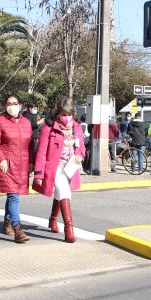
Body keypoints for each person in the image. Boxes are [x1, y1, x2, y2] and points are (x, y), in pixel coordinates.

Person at [32, 98, 86, 243]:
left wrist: (80, 156)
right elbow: (42, 151)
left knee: (60, 193)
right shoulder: (49, 127)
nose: (66, 117)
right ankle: (69, 229)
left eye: (69, 114)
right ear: (58, 114)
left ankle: (53, 219)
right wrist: (39, 173)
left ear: (73, 113)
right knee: (65, 193)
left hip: (71, 167)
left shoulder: (77, 127)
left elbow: (81, 148)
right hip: (54, 167)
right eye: (63, 114)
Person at [0, 94, 34, 243]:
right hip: (7, 164)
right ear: (5, 106)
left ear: (20, 105)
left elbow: (31, 144)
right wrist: (0, 158)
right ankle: (17, 228)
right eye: (9, 103)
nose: (12, 106)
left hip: (22, 164)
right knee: (13, 195)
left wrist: (32, 162)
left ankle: (7, 221)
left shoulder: (27, 122)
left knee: (14, 195)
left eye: (15, 103)